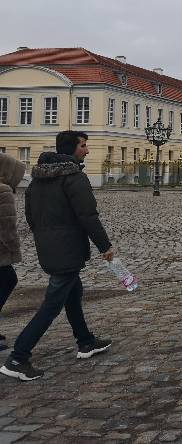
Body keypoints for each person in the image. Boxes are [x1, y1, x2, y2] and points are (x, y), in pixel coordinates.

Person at [1, 131, 114, 382]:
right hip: (68, 249)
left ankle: (85, 341)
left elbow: (31, 217)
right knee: (51, 305)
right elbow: (88, 217)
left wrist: (47, 238)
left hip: (49, 248)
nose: (86, 150)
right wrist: (104, 246)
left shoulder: (38, 179)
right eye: (83, 146)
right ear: (72, 149)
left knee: (73, 294)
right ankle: (18, 358)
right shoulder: (74, 177)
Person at [0, 153, 26, 351]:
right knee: (8, 280)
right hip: (1, 250)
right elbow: (7, 226)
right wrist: (12, 249)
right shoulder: (4, 191)